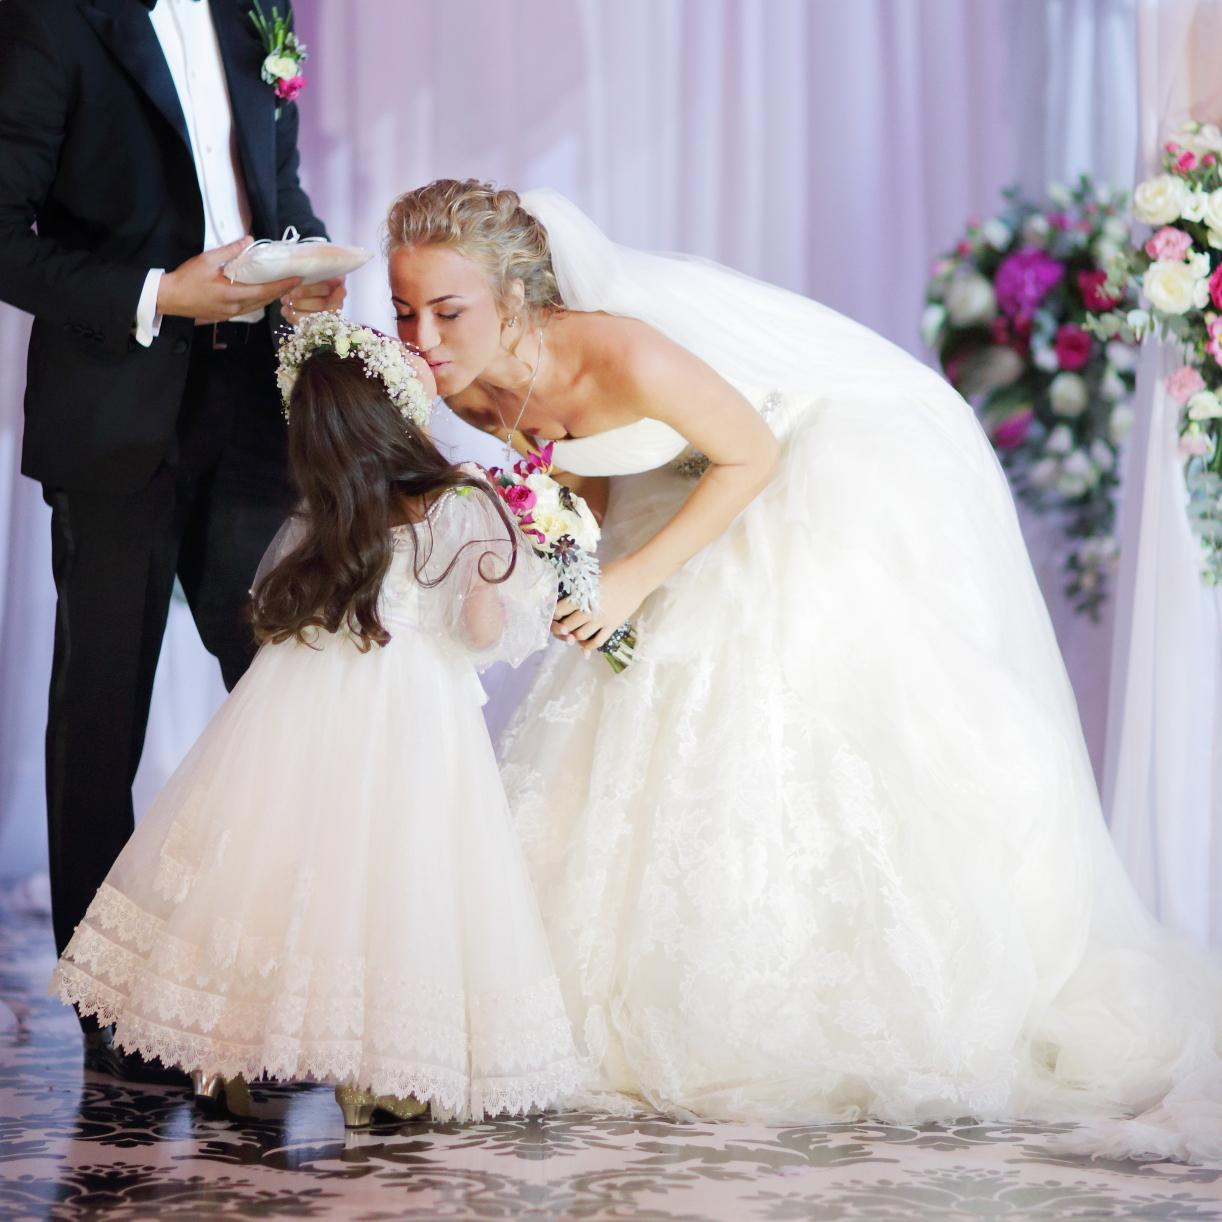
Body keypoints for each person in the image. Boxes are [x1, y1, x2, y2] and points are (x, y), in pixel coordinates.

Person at [384, 179, 1222, 1162]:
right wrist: (579, 575)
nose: (423, 337)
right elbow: (593, 482)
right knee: (631, 688)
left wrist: (636, 578)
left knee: (779, 658)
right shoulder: (466, 386)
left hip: (818, 443)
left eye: (447, 312)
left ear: (515, 299)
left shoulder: (622, 347)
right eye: (403, 312)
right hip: (684, 473)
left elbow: (749, 454)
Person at [50, 315, 583, 1125]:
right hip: (409, 717)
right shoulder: (461, 501)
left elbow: (282, 604)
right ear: (399, 416)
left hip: (297, 705)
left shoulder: (326, 511)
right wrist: (514, 565)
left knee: (271, 858)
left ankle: (218, 1050)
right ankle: (377, 1070)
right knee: (389, 870)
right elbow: (478, 636)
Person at [0, 0, 343, 1076]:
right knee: (102, 707)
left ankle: (290, 972)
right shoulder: (51, 22)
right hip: (116, 408)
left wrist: (306, 261)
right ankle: (110, 1006)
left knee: (282, 685)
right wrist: (158, 293)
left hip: (247, 407)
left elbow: (270, 186)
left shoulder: (260, 9)